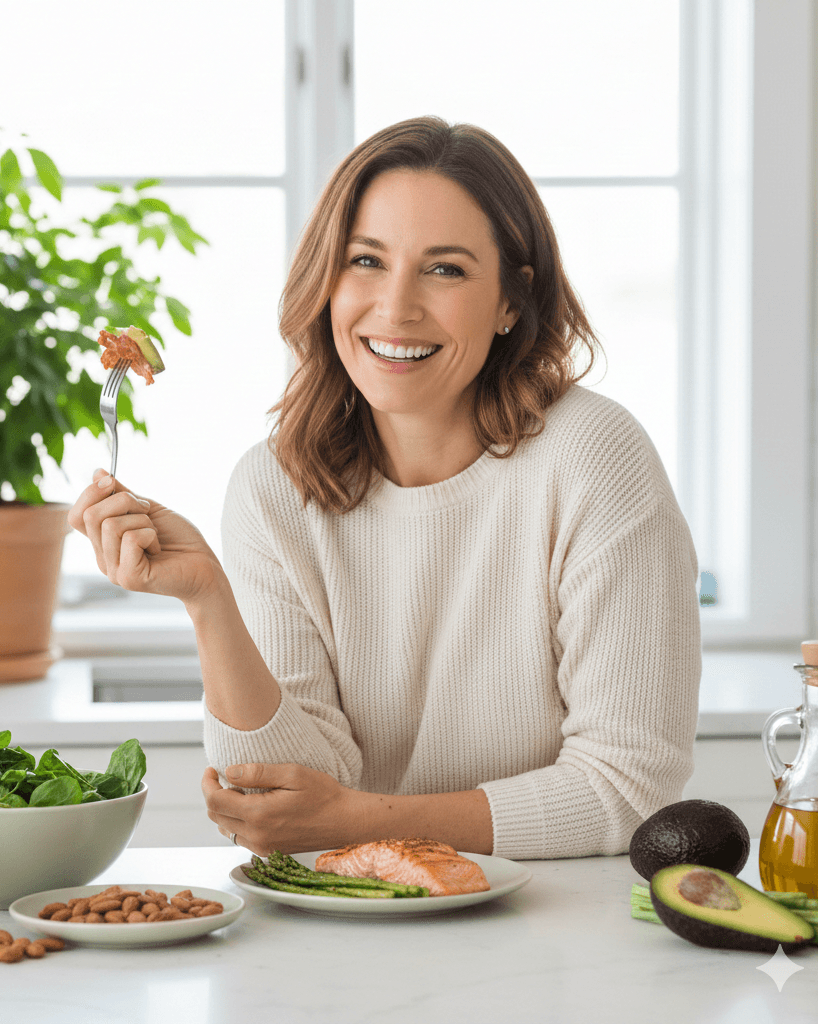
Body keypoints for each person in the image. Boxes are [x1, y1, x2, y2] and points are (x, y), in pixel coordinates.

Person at [68, 116, 701, 861]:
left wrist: (359, 822)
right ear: (326, 279)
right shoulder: (272, 489)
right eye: (366, 260)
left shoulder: (594, 459)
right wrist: (208, 599)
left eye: (446, 269)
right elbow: (285, 800)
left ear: (510, 299)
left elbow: (630, 791)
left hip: (557, 934)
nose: (396, 307)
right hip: (341, 927)